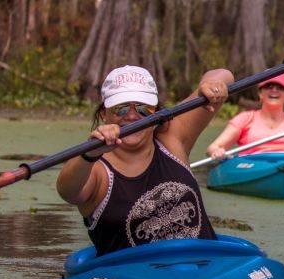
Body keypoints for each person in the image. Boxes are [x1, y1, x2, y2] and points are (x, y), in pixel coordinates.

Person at [57, 65, 234, 256]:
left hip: (203, 270)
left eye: (143, 108)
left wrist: (211, 84)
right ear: (103, 114)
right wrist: (90, 153)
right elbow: (69, 192)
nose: (132, 116)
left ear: (155, 112)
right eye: (121, 109)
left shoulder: (172, 138)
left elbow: (225, 75)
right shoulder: (97, 169)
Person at [206, 73, 284, 160]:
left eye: (280, 87)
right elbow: (213, 147)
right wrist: (216, 151)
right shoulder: (245, 118)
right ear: (260, 94)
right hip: (252, 167)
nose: (274, 90)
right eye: (269, 86)